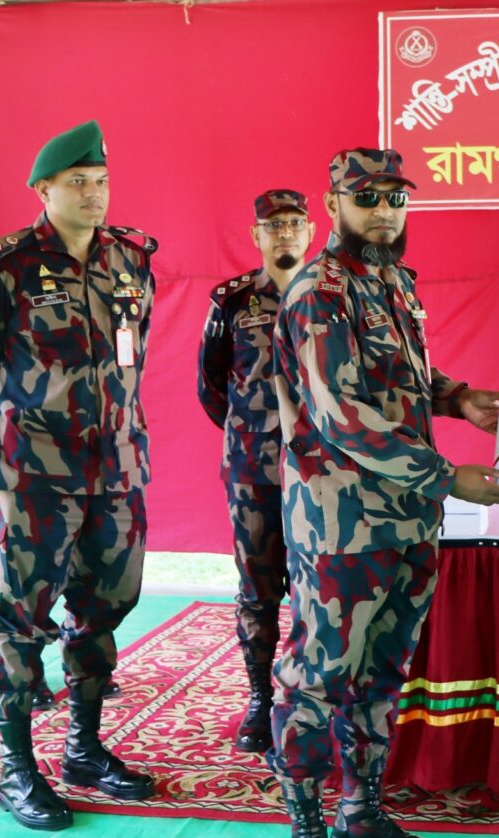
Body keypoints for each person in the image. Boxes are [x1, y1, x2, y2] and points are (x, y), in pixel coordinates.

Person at [269, 147, 499, 838]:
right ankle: (306, 833)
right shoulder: (318, 290)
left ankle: (361, 813)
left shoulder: (394, 281)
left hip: (406, 520)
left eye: (395, 199)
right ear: (334, 201)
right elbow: (343, 416)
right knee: (319, 676)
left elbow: (402, 380)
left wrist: (460, 398)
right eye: (366, 198)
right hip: (341, 523)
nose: (383, 212)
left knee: (382, 673)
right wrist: (452, 476)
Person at [0, 120, 157, 832]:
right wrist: (27, 428)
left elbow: (133, 356)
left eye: (101, 182)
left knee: (107, 607)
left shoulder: (131, 258)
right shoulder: (2, 264)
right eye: (79, 183)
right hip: (38, 475)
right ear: (44, 189)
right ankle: (16, 767)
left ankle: (85, 747)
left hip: (119, 468)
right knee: (24, 616)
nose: (94, 194)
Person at [198, 189, 316, 752]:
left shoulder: (332, 294)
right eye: (274, 226)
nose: (285, 234)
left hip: (321, 474)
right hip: (253, 473)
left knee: (321, 591)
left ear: (311, 230)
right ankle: (259, 702)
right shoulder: (232, 300)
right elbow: (211, 385)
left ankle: (310, 700)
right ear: (256, 236)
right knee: (258, 592)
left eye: (295, 223)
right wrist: (255, 434)